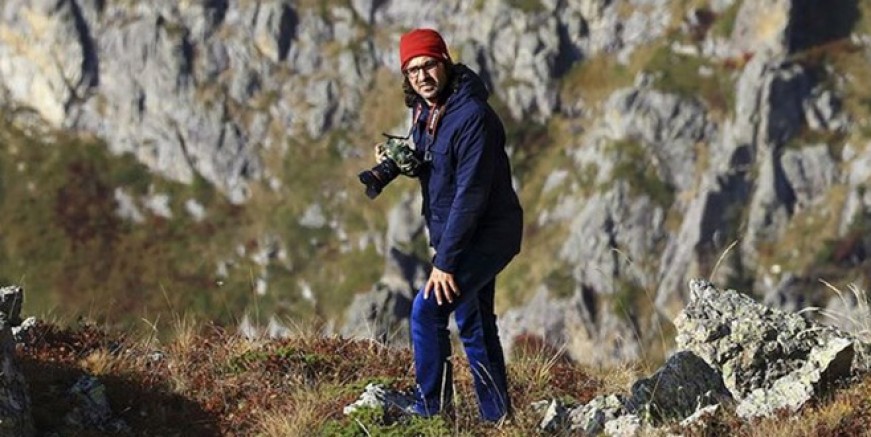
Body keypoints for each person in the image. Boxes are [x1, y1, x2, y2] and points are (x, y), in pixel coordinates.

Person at [382, 28, 524, 422]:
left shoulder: (472, 117)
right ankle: (497, 418)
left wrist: (444, 263)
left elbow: (471, 195)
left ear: (444, 61)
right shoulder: (426, 109)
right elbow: (432, 163)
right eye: (412, 71)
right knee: (474, 322)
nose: (422, 76)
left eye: (428, 65)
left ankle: (431, 410)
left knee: (426, 312)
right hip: (459, 235)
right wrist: (392, 165)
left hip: (486, 235)